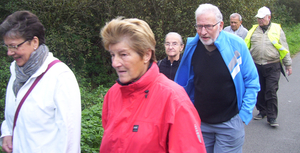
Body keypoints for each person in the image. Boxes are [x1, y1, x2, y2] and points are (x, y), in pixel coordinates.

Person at [99, 17, 206, 152]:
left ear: (146, 55)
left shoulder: (174, 100)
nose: (115, 63)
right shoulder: (113, 94)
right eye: (112, 55)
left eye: (123, 54)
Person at [175, 4, 260, 153]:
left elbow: (252, 81)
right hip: (200, 124)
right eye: (199, 26)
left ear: (220, 25)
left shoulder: (236, 45)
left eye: (208, 26)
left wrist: (244, 115)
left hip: (230, 124)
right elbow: (182, 85)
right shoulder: (192, 47)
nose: (203, 32)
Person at [0, 11, 81, 153]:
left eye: (14, 46)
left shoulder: (60, 76)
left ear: (35, 42)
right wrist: (7, 131)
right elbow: (12, 113)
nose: (9, 52)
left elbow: (70, 136)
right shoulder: (17, 73)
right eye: (7, 46)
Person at [245, 6, 292, 127]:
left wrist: (288, 64)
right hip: (256, 65)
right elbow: (246, 48)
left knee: (271, 90)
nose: (260, 20)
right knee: (259, 90)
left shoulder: (277, 29)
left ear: (269, 17)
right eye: (258, 18)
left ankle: (272, 117)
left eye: (262, 18)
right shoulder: (253, 30)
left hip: (273, 65)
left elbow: (284, 47)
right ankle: (262, 111)